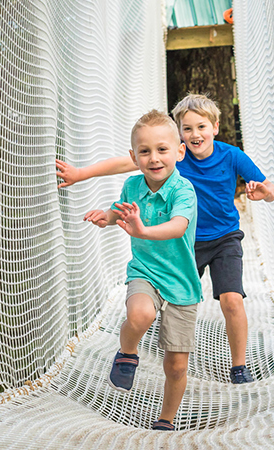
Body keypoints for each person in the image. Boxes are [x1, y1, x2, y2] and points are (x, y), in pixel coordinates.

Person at [57, 93, 274, 384]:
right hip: (183, 243)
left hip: (225, 238)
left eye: (201, 127)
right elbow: (127, 163)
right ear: (180, 138)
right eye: (187, 129)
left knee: (232, 300)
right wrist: (81, 174)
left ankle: (239, 366)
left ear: (215, 127)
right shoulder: (173, 157)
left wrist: (265, 193)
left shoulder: (231, 155)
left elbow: (268, 187)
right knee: (172, 298)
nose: (195, 134)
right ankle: (150, 339)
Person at [83, 110, 201, 431]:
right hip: (145, 271)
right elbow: (119, 213)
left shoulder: (183, 191)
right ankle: (127, 352)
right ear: (134, 157)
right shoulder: (132, 185)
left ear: (179, 151)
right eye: (145, 151)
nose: (154, 158)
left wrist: (143, 231)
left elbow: (178, 226)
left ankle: (166, 419)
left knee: (176, 365)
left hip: (181, 284)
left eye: (162, 149)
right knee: (139, 315)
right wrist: (105, 217)